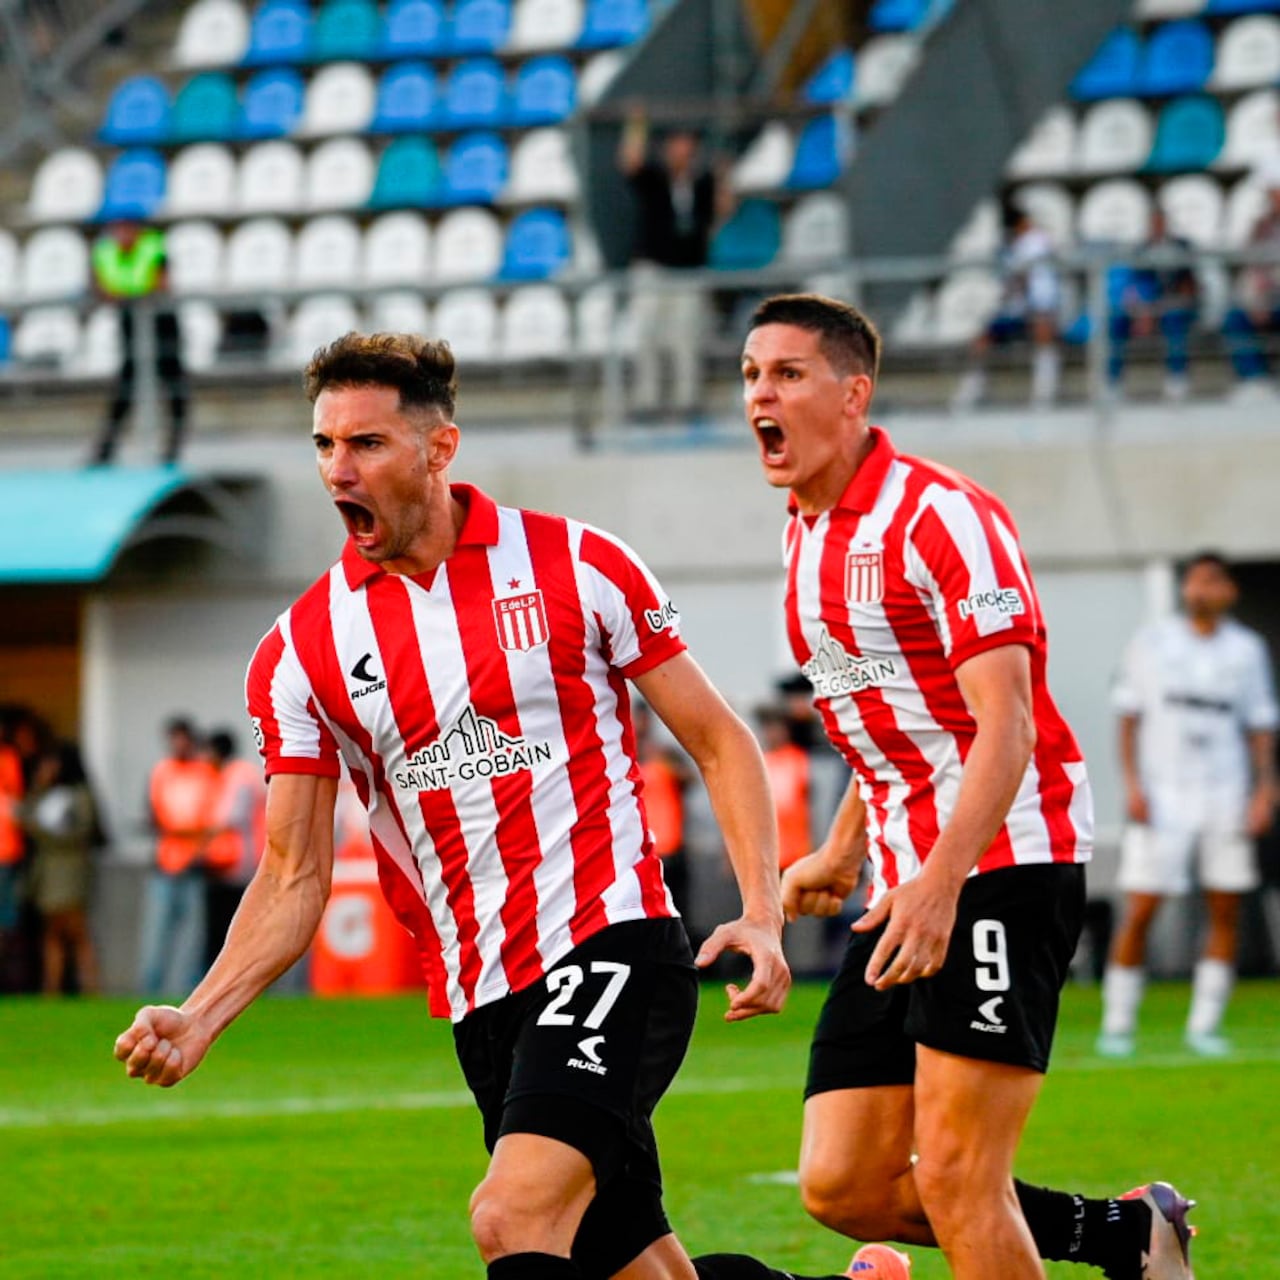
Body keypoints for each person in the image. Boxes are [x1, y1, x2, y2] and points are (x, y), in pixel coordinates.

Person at [114, 331, 818, 1280]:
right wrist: (200, 1015)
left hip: (610, 940)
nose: (338, 470)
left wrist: (762, 910)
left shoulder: (576, 564)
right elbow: (291, 872)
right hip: (480, 990)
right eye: (324, 445)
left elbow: (720, 739)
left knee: (511, 1215)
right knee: (628, 1267)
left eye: (367, 443)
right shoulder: (302, 650)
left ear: (439, 448)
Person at [740, 293, 1195, 1280]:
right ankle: (1127, 1235)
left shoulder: (940, 514)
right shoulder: (802, 534)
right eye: (750, 375)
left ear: (853, 393)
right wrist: (843, 849)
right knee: (844, 1183)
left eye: (786, 373)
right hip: (906, 877)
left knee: (956, 1177)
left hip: (999, 863)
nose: (759, 396)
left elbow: (1007, 723)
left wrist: (941, 881)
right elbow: (893, 714)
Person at [1099, 552, 1278, 1058]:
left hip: (1225, 793)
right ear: (1186, 589)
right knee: (1142, 906)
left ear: (1229, 591)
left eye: (1214, 581)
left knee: (1225, 907)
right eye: (1197, 581)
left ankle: (1205, 1024)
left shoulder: (1246, 649)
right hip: (1163, 795)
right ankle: (1118, 1023)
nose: (1204, 590)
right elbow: (1128, 719)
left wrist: (1264, 789)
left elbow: (1260, 725)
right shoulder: (1152, 643)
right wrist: (1132, 785)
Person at [617, 110, 729, 418]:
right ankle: (647, 400)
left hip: (688, 268)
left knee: (686, 338)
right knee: (647, 335)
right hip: (653, 266)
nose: (683, 151)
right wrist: (636, 126)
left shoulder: (702, 183)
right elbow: (630, 163)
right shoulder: (654, 178)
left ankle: (687, 399)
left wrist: (724, 176)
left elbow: (723, 210)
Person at [88, 218, 189, 466]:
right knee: (127, 386)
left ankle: (172, 449)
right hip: (131, 321)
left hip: (161, 321)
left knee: (174, 383)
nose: (122, 233)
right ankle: (106, 450)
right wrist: (131, 295)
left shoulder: (153, 247)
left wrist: (127, 294)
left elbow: (161, 284)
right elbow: (101, 288)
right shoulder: (105, 252)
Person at [952, 202, 1062, 411]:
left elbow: (1028, 275)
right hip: (1018, 307)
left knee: (1043, 335)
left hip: (1040, 304)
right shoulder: (1017, 244)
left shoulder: (1036, 241)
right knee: (983, 339)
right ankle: (971, 392)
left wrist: (1021, 295)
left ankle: (1044, 395)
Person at [136, 717, 216, 994]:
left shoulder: (205, 773)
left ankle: (190, 996)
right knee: (155, 936)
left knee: (193, 940)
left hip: (195, 865)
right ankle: (148, 992)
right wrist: (183, 832)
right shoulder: (161, 772)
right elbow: (153, 815)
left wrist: (187, 835)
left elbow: (212, 821)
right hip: (166, 864)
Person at [21, 741, 101, 996]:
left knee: (76, 930)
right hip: (48, 871)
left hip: (71, 869)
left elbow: (81, 832)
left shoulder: (79, 795)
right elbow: (25, 814)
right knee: (52, 931)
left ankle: (91, 988)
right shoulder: (44, 794)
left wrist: (44, 833)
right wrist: (38, 786)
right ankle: (51, 988)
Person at [1106, 208, 1199, 402]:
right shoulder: (1140, 250)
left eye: (1160, 223)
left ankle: (1177, 379)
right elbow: (1135, 286)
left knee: (1174, 319)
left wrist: (1166, 304)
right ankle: (1112, 383)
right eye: (1153, 224)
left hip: (1175, 303)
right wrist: (1143, 311)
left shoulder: (1182, 246)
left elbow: (1189, 284)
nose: (1157, 227)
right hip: (1148, 306)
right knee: (1117, 321)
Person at [200, 728, 267, 971]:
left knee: (228, 928)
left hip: (237, 864)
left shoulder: (237, 776)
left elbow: (232, 818)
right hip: (233, 862)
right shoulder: (236, 774)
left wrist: (199, 834)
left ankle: (231, 976)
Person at [633, 700, 694, 929]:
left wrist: (665, 765)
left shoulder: (663, 754)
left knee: (677, 911)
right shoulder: (623, 755)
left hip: (671, 846)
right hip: (639, 850)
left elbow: (689, 779)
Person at [1223, 176, 1280, 402]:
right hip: (1263, 298)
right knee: (1235, 317)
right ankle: (1254, 378)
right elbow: (1251, 268)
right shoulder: (1261, 227)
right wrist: (1256, 302)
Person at [755, 705, 812, 872]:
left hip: (797, 852)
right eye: (768, 728)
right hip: (767, 854)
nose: (772, 734)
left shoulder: (798, 759)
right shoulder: (760, 761)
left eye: (777, 728)